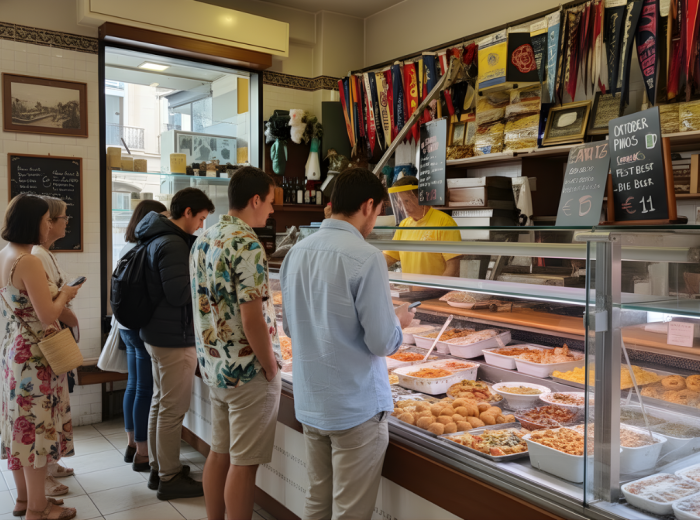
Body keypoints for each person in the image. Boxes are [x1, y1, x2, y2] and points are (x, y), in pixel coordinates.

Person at [280, 168, 415, 520]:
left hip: (311, 401)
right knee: (350, 511)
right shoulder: (366, 256)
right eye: (380, 211)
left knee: (317, 499)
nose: (376, 221)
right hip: (355, 407)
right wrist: (399, 322)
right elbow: (383, 342)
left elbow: (292, 328)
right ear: (368, 205)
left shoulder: (296, 252)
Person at [191, 166, 282, 520]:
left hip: (215, 365)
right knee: (244, 465)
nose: (272, 211)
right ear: (255, 199)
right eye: (270, 203)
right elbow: (252, 319)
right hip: (248, 371)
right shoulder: (248, 244)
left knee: (219, 453)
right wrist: (271, 367)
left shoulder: (204, 239)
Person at [0, 194, 83, 520]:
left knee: (20, 432)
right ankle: (38, 508)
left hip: (16, 352)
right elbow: (49, 313)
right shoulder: (29, 260)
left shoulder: (5, 254)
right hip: (36, 359)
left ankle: (23, 501)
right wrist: (66, 293)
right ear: (32, 221)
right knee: (36, 436)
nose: (50, 225)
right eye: (47, 219)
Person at [135, 187, 214, 499]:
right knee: (171, 410)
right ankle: (169, 477)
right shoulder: (173, 243)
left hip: (156, 335)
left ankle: (158, 467)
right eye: (201, 219)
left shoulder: (156, 236)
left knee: (159, 403)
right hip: (174, 339)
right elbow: (180, 294)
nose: (201, 226)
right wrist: (206, 284)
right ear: (188, 212)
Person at [30, 196, 78, 498]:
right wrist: (67, 298)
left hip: (47, 341)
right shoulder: (34, 256)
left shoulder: (42, 253)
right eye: (59, 218)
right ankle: (43, 479)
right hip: (41, 346)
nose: (63, 223)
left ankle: (51, 464)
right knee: (44, 413)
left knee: (55, 408)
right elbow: (48, 307)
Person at [116, 200, 167, 472]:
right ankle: (143, 454)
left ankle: (131, 445)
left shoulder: (128, 246)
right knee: (145, 388)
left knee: (134, 385)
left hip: (124, 325)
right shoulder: (149, 247)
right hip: (139, 326)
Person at [383, 176, 462, 277]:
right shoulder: (404, 225)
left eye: (406, 201)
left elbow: (453, 269)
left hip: (437, 291)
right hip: (411, 292)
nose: (403, 206)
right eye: (400, 202)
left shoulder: (445, 223)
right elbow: (388, 257)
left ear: (420, 197)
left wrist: (435, 289)